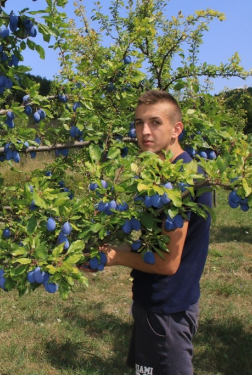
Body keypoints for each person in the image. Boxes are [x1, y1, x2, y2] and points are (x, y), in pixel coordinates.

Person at [89, 90, 212, 375]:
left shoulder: (180, 181)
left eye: (155, 122)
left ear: (176, 129)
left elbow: (166, 263)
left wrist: (113, 258)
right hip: (158, 303)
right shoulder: (162, 176)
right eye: (138, 123)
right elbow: (152, 245)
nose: (144, 131)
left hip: (166, 311)